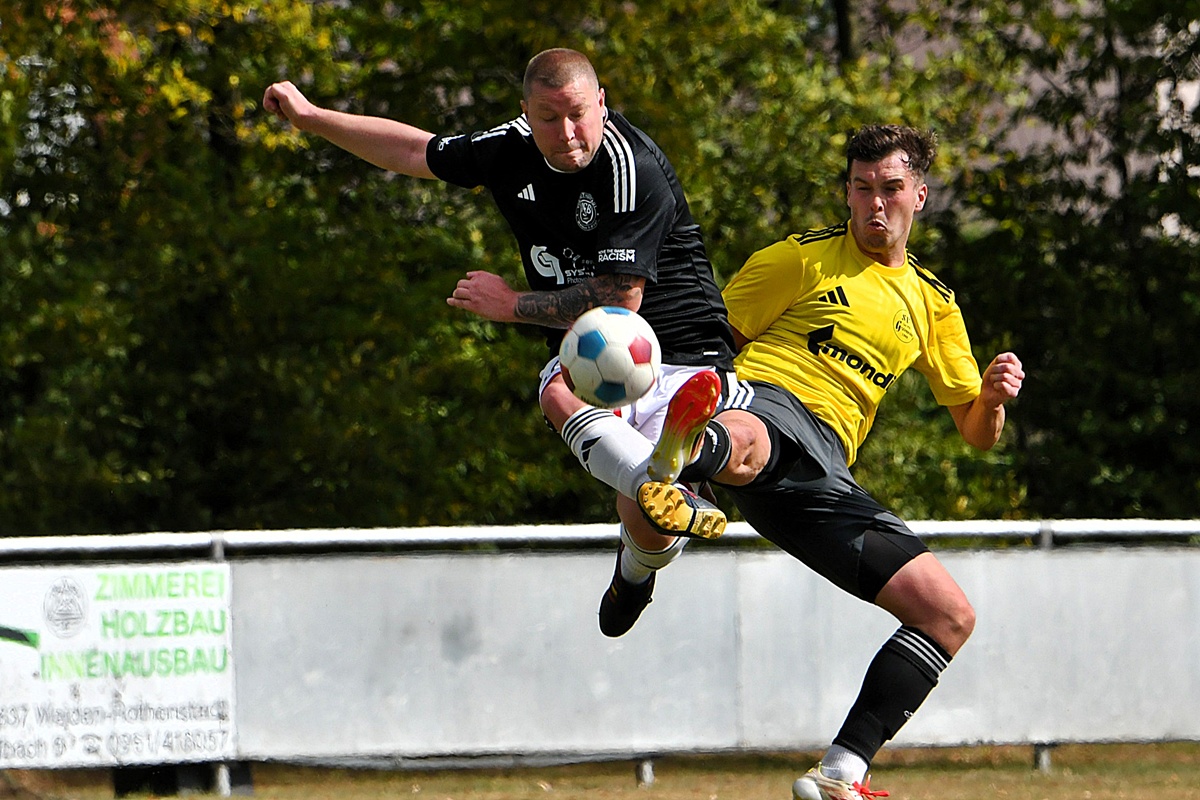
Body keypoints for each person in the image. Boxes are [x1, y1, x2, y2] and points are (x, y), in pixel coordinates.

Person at [263, 48, 734, 637]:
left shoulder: (629, 165)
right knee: (600, 442)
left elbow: (621, 301)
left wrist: (510, 305)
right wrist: (311, 118)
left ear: (603, 103)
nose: (566, 133)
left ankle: (641, 555)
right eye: (547, 118)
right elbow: (417, 150)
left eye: (578, 114)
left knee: (644, 516)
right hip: (597, 353)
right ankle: (653, 493)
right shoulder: (509, 147)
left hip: (684, 355)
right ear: (525, 113)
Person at [637, 125, 1025, 800]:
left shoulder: (934, 304)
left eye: (891, 189)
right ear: (847, 191)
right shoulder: (800, 259)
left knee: (947, 614)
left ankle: (841, 771)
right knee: (756, 430)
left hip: (822, 473)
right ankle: (691, 459)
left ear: (920, 196)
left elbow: (976, 433)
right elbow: (709, 346)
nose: (874, 205)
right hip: (768, 404)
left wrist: (990, 400)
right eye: (861, 188)